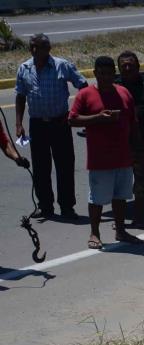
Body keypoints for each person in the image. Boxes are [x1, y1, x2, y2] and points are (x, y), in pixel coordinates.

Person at [69, 56, 143, 250]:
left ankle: (120, 230)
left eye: (109, 73)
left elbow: (133, 122)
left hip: (123, 156)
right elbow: (72, 119)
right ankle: (95, 232)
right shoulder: (85, 94)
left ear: (114, 74)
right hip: (100, 158)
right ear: (95, 74)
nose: (106, 77)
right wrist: (97, 118)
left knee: (120, 196)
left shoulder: (124, 92)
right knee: (98, 198)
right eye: (101, 73)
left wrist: (137, 148)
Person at [15, 33, 87, 219]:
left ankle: (67, 206)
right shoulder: (24, 68)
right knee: (40, 167)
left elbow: (83, 85)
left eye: (39, 47)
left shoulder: (62, 66)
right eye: (32, 47)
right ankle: (45, 206)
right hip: (37, 124)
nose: (34, 50)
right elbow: (20, 96)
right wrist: (18, 123)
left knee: (64, 165)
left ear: (48, 48)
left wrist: (81, 112)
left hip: (60, 122)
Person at [116, 50, 144, 229]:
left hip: (142, 142)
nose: (127, 68)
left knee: (141, 183)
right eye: (123, 66)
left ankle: (139, 218)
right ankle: (120, 221)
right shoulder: (113, 87)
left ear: (138, 67)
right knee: (119, 183)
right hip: (119, 144)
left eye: (131, 65)